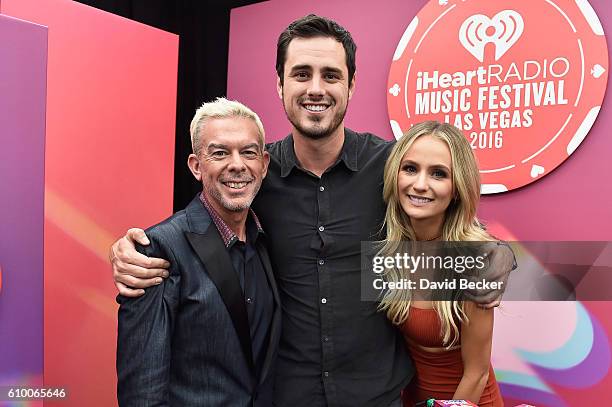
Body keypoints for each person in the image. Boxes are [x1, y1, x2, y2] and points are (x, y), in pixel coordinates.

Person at [110, 15, 511, 407]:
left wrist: (495, 262)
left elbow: (458, 228)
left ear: (351, 85)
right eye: (301, 74)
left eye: (331, 75)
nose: (315, 88)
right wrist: (133, 249)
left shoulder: (389, 168)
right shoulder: (256, 176)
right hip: (286, 395)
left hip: (378, 395)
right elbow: (199, 226)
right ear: (281, 84)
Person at [116, 98, 281, 406]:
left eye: (248, 152)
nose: (237, 164)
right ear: (196, 166)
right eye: (220, 153)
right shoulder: (158, 249)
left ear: (264, 164)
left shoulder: (265, 241)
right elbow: (142, 391)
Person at [378, 121, 504, 406]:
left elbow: (477, 374)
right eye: (410, 168)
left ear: (457, 187)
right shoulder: (390, 249)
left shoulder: (475, 263)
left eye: (438, 174)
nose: (420, 185)